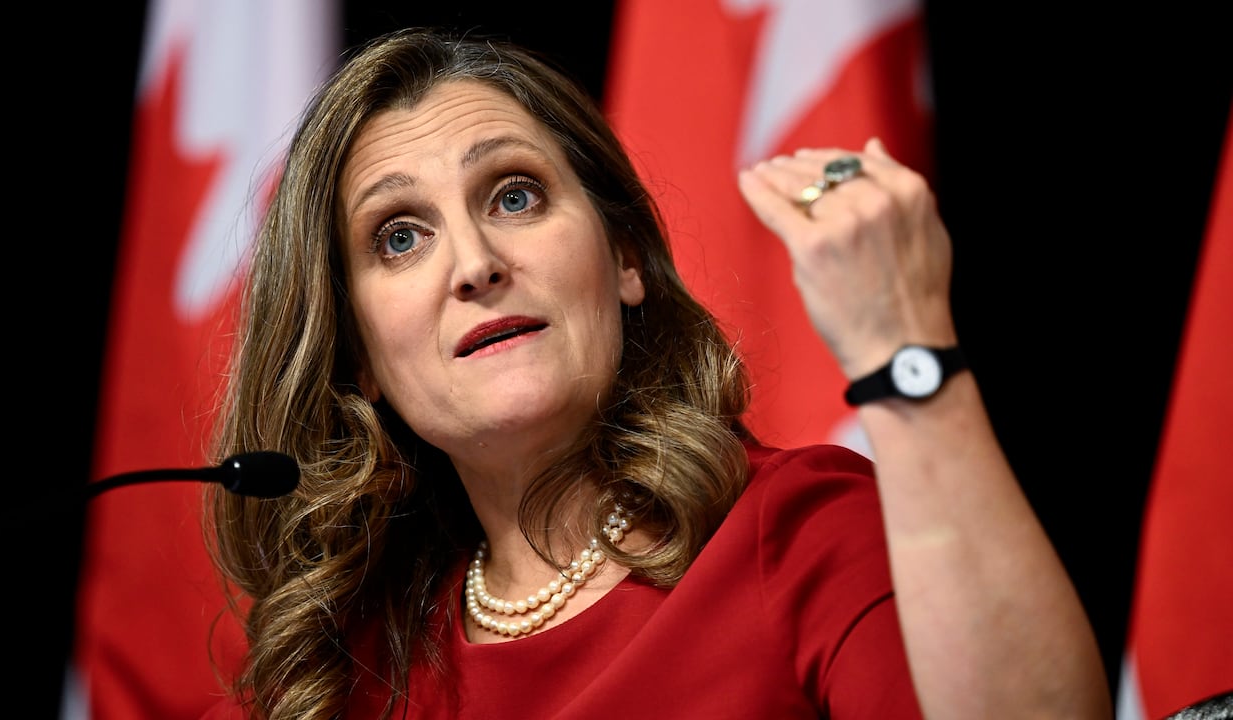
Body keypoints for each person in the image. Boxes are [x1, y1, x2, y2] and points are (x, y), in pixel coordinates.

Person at [198, 27, 1112, 720]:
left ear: (625, 254)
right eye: (400, 236)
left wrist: (906, 354)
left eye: (515, 195)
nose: (474, 264)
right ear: (357, 354)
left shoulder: (797, 535)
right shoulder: (345, 668)